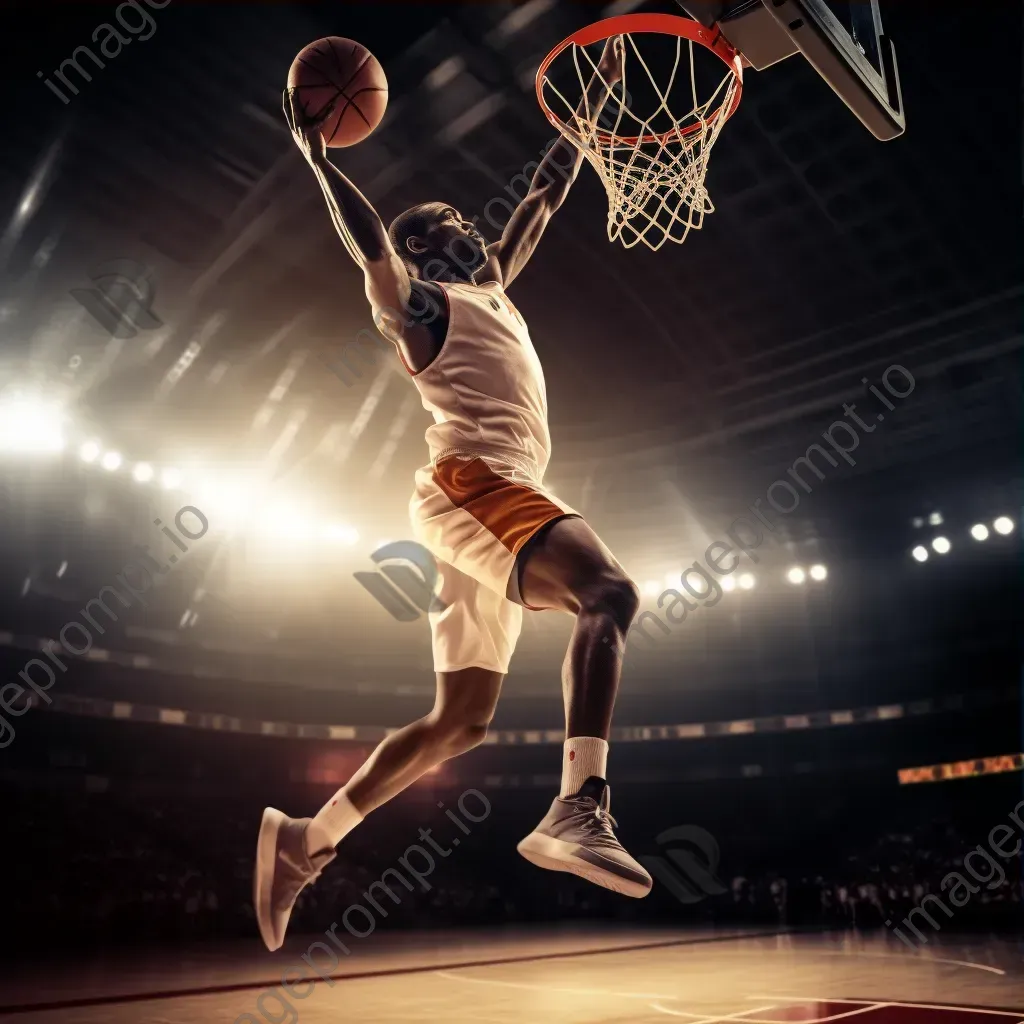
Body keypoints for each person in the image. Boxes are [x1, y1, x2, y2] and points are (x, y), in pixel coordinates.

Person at [254, 35, 652, 954]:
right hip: (474, 486)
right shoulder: (424, 306)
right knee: (611, 595)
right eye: (445, 224)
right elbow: (370, 253)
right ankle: (579, 806)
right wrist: (318, 161)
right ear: (425, 250)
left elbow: (547, 191)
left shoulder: (495, 287)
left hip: (488, 494)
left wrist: (591, 109)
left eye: (466, 221)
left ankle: (305, 843)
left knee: (462, 721)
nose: (470, 226)